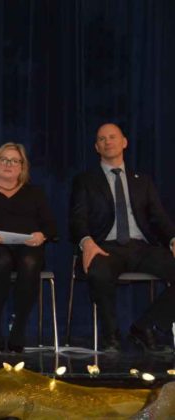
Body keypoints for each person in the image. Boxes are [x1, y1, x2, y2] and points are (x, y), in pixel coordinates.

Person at [70, 122, 175, 353]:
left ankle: (145, 326)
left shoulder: (142, 180)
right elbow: (77, 219)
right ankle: (111, 337)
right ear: (96, 147)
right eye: (102, 139)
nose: (107, 142)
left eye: (112, 137)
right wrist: (87, 242)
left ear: (124, 142)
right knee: (98, 271)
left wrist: (173, 239)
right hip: (105, 247)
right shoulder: (85, 181)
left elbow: (159, 217)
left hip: (141, 247)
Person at [0, 143, 57, 353]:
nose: (8, 164)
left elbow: (51, 226)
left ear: (22, 167)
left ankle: (19, 327)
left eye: (14, 161)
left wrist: (41, 235)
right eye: (4, 160)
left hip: (28, 247)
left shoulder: (35, 193)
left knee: (30, 262)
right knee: (2, 261)